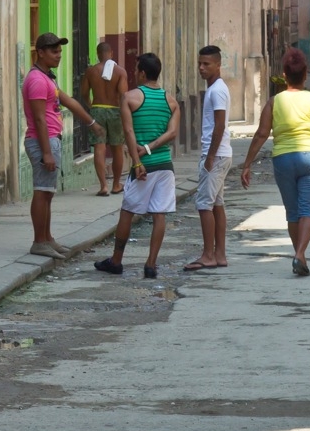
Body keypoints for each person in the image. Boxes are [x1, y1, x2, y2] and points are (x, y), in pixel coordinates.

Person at [239, 47, 310, 277]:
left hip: (284, 159)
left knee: (292, 211)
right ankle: (300, 254)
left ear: (284, 75)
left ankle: (299, 255)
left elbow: (261, 135)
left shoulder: (274, 102)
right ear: (306, 74)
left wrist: (247, 164)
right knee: (308, 210)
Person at [95, 53, 179, 280]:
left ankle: (116, 261)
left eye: (135, 69)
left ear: (142, 72)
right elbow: (172, 133)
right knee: (159, 214)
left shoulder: (130, 98)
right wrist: (151, 147)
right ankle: (151, 264)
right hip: (165, 165)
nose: (133, 73)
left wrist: (138, 160)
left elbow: (129, 132)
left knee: (127, 212)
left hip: (145, 167)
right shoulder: (170, 100)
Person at [21, 33, 101, 259]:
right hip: (41, 141)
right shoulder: (36, 80)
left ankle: (47, 238)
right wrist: (46, 152)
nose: (59, 56)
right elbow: (39, 119)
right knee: (42, 191)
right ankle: (39, 241)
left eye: (60, 52)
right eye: (54, 52)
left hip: (50, 140)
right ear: (41, 53)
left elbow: (69, 101)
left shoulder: (48, 78)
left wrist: (91, 122)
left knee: (48, 194)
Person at [186, 45, 232, 271]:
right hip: (221, 153)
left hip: (216, 153)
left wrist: (210, 156)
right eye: (200, 64)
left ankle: (208, 254)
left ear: (218, 65)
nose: (201, 68)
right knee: (216, 204)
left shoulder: (217, 91)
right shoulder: (215, 88)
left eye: (207, 64)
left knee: (204, 204)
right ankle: (219, 254)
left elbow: (220, 124)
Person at [81, 41, 129, 197]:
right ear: (111, 54)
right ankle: (116, 184)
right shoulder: (120, 72)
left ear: (97, 54)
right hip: (115, 110)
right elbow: (123, 95)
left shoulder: (91, 71)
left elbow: (83, 94)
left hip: (98, 109)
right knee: (117, 149)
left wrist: (91, 107)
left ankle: (103, 186)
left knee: (99, 149)